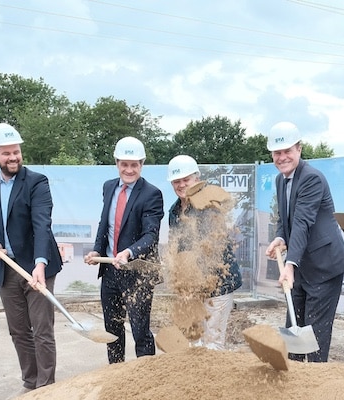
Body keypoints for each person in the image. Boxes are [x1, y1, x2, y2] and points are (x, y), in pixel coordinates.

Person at [0, 122, 63, 391]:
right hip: (8, 268)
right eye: (6, 153)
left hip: (38, 267)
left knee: (42, 329)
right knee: (19, 331)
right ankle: (30, 382)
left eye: (16, 152)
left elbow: (41, 224)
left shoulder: (36, 182)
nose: (13, 157)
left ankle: (46, 388)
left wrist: (39, 263)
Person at [263, 121, 344, 362]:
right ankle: (295, 385)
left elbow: (303, 222)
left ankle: (315, 386)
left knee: (315, 334)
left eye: (287, 151)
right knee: (293, 329)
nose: (282, 157)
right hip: (301, 265)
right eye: (277, 153)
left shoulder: (312, 179)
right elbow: (286, 220)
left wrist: (289, 265)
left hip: (324, 266)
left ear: (299, 149)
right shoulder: (281, 180)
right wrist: (280, 237)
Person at [85, 136, 163, 364]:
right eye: (124, 164)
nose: (129, 170)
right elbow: (105, 224)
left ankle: (145, 379)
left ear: (142, 164)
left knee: (140, 331)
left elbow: (151, 235)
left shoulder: (152, 194)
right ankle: (116, 376)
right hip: (109, 272)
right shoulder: (109, 187)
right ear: (117, 163)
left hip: (137, 273)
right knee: (112, 329)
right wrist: (96, 251)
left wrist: (129, 252)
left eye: (134, 164)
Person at [165, 154, 242, 349]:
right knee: (194, 340)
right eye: (177, 181)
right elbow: (177, 246)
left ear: (196, 179)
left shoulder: (209, 204)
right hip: (191, 287)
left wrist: (191, 269)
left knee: (212, 342)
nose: (182, 185)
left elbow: (212, 246)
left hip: (217, 283)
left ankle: (215, 379)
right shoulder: (174, 211)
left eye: (186, 179)